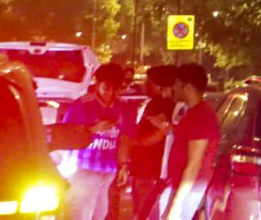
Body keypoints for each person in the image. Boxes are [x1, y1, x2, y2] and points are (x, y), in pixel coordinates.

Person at [60, 62, 137, 220]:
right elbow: (66, 134)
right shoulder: (82, 104)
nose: (110, 93)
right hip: (83, 169)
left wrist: (123, 165)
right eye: (106, 88)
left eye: (116, 89)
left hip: (108, 171)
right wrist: (93, 129)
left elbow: (125, 137)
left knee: (100, 214)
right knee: (80, 214)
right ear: (97, 85)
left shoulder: (124, 107)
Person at [163, 63, 220, 220]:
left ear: (187, 87)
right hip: (182, 186)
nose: (173, 87)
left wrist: (176, 205)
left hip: (189, 189)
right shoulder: (194, 112)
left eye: (176, 83)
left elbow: (194, 164)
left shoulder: (201, 115)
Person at [130, 65, 176, 220]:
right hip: (151, 169)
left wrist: (135, 143)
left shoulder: (160, 104)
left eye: (147, 81)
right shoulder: (168, 104)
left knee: (143, 211)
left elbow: (160, 134)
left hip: (148, 169)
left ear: (157, 84)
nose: (144, 84)